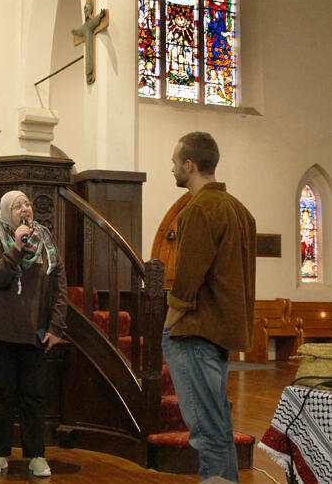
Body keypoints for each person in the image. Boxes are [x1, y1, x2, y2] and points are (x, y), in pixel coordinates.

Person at [163, 132, 256, 482]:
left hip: (196, 330)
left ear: (189, 165)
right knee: (218, 424)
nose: (171, 169)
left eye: (175, 163)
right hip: (222, 330)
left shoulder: (200, 209)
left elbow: (188, 279)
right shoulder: (240, 210)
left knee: (206, 427)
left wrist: (170, 323)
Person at [0, 190, 68, 477]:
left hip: (34, 332)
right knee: (1, 397)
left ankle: (36, 455)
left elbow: (59, 287)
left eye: (27, 204)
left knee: (34, 396)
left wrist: (56, 328)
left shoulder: (46, 243)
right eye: (17, 206)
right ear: (6, 213)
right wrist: (16, 248)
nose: (25, 209)